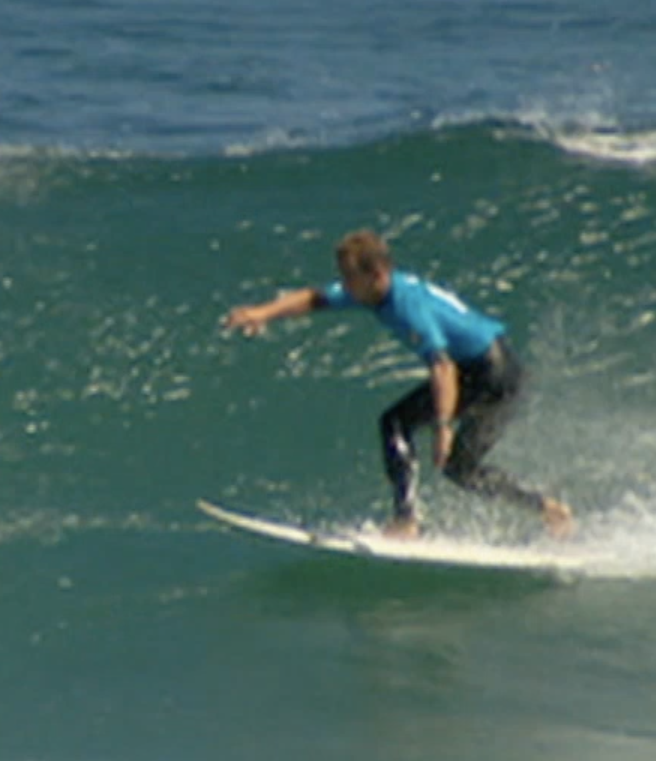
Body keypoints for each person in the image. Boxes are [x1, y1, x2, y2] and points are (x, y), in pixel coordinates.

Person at [224, 229, 574, 540]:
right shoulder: (376, 290)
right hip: (481, 369)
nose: (344, 287)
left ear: (376, 274)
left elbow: (442, 367)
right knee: (449, 461)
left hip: (493, 374)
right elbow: (315, 298)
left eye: (350, 279)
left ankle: (408, 522)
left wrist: (443, 426)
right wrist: (262, 313)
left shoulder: (407, 306)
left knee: (420, 439)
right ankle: (546, 508)